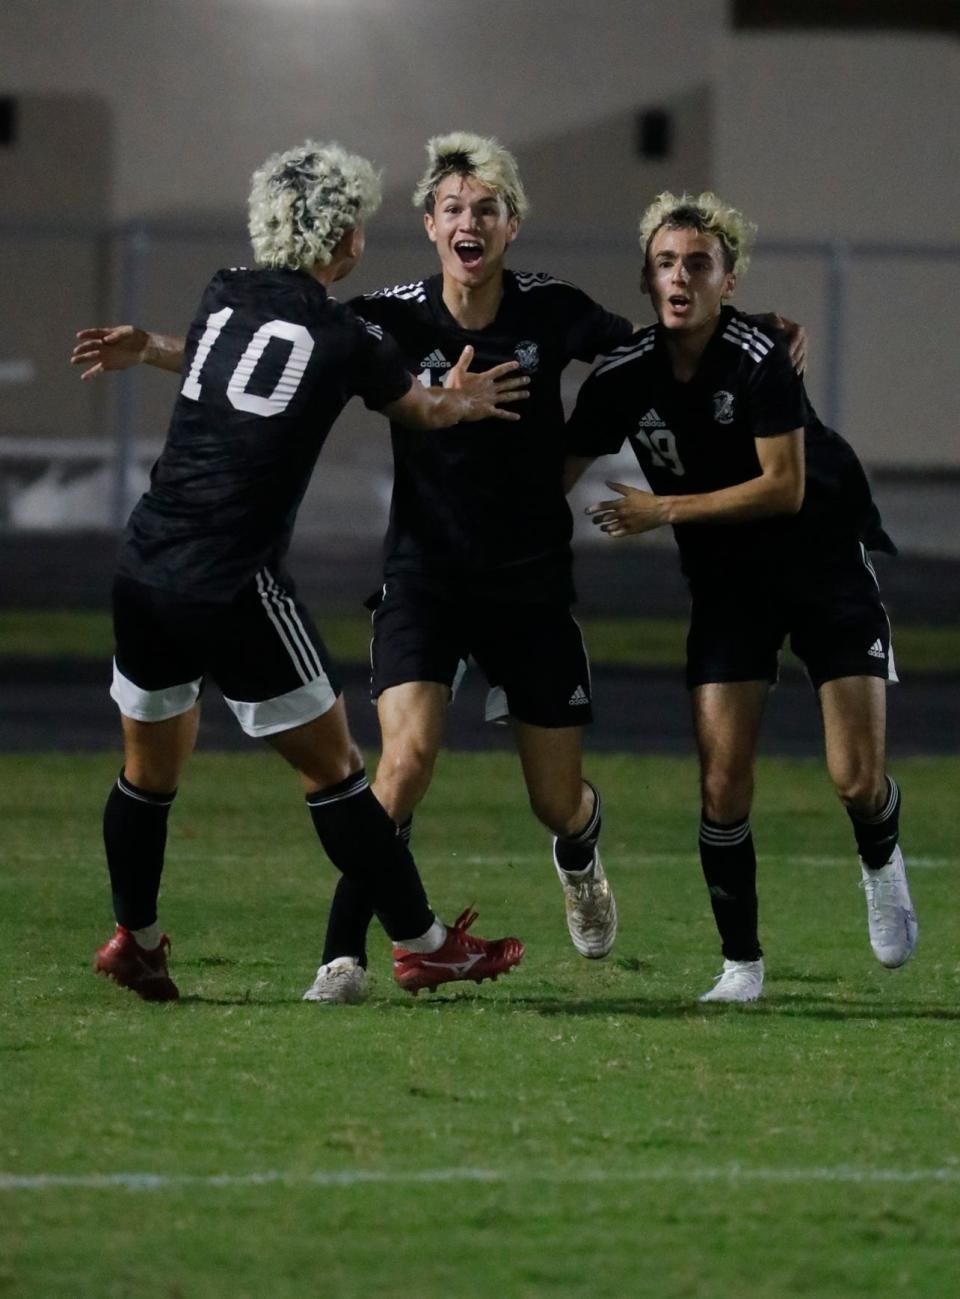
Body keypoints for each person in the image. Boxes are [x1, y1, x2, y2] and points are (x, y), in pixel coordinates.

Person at [74, 136, 807, 1006]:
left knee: (553, 798)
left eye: (486, 209)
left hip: (524, 583)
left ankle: (574, 849)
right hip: (418, 576)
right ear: (427, 226)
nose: (469, 221)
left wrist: (752, 332)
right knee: (388, 768)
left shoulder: (551, 308)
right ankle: (345, 957)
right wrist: (445, 404)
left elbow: (658, 343)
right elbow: (287, 361)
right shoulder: (382, 318)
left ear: (511, 226)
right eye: (453, 208)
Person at [74, 139, 527, 1002]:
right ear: (344, 239)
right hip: (233, 579)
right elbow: (421, 406)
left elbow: (225, 354)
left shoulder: (223, 292)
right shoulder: (342, 334)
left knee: (148, 773)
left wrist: (147, 345)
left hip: (147, 566)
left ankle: (136, 937)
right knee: (339, 773)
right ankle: (424, 942)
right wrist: (461, 401)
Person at [563, 190, 917, 1003]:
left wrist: (662, 510)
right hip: (728, 587)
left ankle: (881, 858)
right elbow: (555, 474)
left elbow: (784, 488)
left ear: (729, 278)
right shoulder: (624, 375)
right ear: (646, 281)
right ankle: (742, 964)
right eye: (664, 263)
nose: (680, 276)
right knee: (722, 784)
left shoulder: (759, 354)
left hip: (823, 563)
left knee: (855, 779)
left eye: (698, 263)